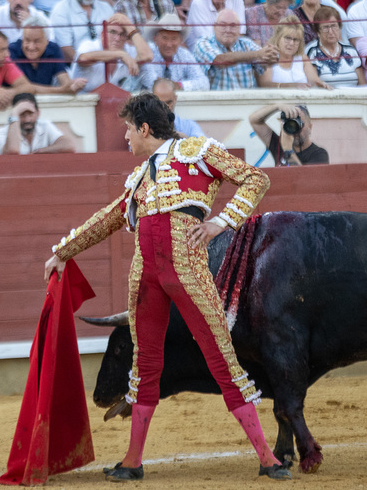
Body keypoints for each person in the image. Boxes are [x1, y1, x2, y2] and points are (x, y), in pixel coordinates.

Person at [42, 92, 289, 483]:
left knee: (221, 358)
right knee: (145, 365)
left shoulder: (198, 150)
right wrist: (63, 252)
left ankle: (267, 458)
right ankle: (132, 461)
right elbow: (110, 217)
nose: (125, 138)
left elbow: (257, 177)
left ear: (144, 128)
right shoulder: (139, 177)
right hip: (145, 277)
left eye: (127, 129)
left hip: (188, 268)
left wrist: (220, 222)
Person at [190, 8, 266, 89]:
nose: (228, 30)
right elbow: (221, 60)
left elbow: (265, 60)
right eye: (223, 25)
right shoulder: (203, 43)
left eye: (233, 26)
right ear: (215, 27)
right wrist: (256, 54)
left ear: (239, 28)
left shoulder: (246, 43)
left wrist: (269, 55)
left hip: (247, 100)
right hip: (216, 100)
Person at [139, 12, 210, 89]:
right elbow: (151, 81)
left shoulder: (184, 54)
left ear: (180, 41)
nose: (169, 44)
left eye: (174, 39)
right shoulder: (147, 52)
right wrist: (173, 86)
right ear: (155, 39)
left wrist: (180, 85)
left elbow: (204, 82)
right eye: (165, 38)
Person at [248, 102, 329, 167]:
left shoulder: (319, 154)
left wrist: (288, 151)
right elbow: (254, 120)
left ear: (310, 127)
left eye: (300, 124)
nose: (296, 129)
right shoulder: (279, 145)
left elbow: (305, 181)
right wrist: (277, 105)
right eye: (291, 124)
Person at [0, 91, 76, 153]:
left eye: (30, 114)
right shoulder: (2, 132)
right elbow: (12, 151)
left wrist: (41, 151)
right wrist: (14, 113)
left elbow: (69, 146)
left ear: (38, 113)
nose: (27, 120)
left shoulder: (45, 126)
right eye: (22, 114)